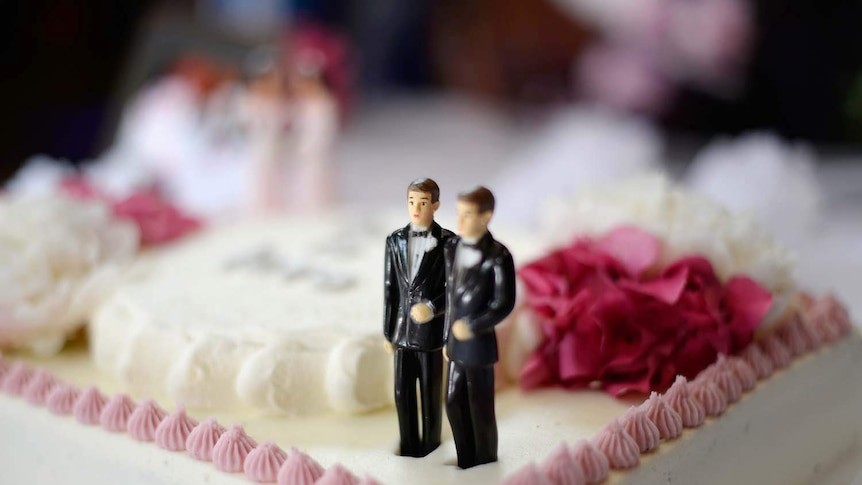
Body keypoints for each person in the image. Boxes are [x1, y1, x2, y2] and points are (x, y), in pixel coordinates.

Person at [443, 185, 516, 469]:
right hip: (455, 346)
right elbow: (450, 298)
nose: (460, 222)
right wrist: (447, 338)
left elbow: (504, 303)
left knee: (480, 407)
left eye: (468, 215)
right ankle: (465, 459)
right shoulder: (452, 247)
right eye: (459, 213)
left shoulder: (499, 256)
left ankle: (484, 463)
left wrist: (473, 326)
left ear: (486, 217)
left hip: (479, 347)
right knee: (453, 402)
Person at [383, 178, 454, 457]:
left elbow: (453, 290)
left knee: (429, 394)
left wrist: (432, 308)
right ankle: (409, 447)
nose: (416, 208)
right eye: (412, 202)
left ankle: (431, 447)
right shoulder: (395, 240)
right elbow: (390, 290)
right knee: (402, 394)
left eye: (423, 202)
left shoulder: (449, 242)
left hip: (431, 336)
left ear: (435, 205)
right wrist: (388, 331)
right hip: (401, 334)